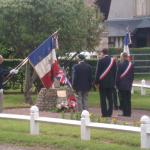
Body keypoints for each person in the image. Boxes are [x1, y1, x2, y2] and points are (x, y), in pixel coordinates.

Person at [95, 48, 117, 117]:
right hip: (111, 83)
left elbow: (98, 73)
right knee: (110, 98)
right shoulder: (113, 61)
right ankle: (110, 113)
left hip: (102, 83)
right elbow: (115, 72)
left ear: (102, 53)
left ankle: (104, 113)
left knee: (103, 99)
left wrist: (96, 82)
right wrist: (114, 82)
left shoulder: (100, 61)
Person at [116, 52, 134, 117]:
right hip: (129, 85)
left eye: (121, 57)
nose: (120, 58)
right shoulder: (131, 65)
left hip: (122, 85)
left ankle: (125, 113)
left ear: (123, 57)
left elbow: (118, 76)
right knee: (128, 100)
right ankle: (129, 113)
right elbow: (132, 76)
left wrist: (117, 84)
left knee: (123, 100)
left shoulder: (120, 65)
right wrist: (130, 84)